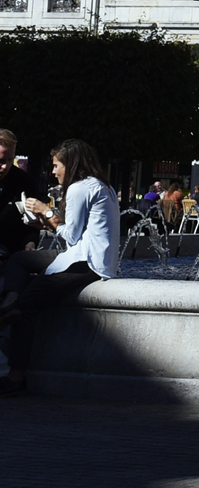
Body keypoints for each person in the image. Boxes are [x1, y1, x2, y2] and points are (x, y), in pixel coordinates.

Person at [0, 139, 118, 396]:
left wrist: (46, 211)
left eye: (56, 165)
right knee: (20, 259)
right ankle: (9, 304)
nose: (53, 171)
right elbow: (76, 231)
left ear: (71, 163)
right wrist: (43, 225)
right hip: (90, 258)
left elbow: (72, 238)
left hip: (83, 262)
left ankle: (15, 376)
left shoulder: (78, 188)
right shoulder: (101, 185)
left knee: (27, 307)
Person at [0, 134, 42, 259]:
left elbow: (31, 221)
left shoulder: (24, 182)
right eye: (1, 161)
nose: (5, 166)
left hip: (11, 250)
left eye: (10, 160)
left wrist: (30, 242)